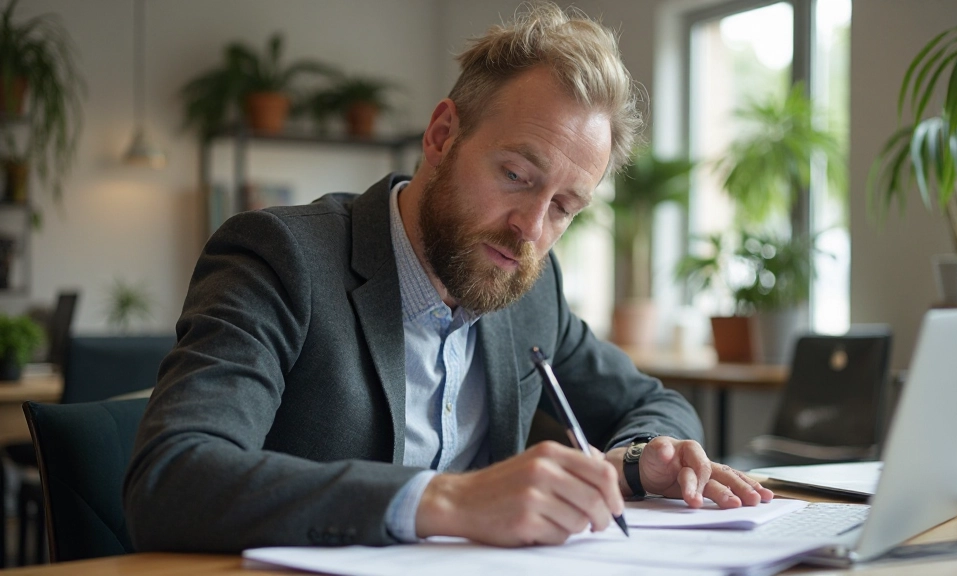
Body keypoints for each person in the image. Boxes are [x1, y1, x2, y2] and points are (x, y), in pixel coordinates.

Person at [123, 2, 772, 552]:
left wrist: (638, 460)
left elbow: (654, 404)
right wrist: (450, 500)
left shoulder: (531, 288)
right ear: (440, 136)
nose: (530, 229)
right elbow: (172, 478)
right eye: (515, 175)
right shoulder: (281, 258)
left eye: (564, 207)